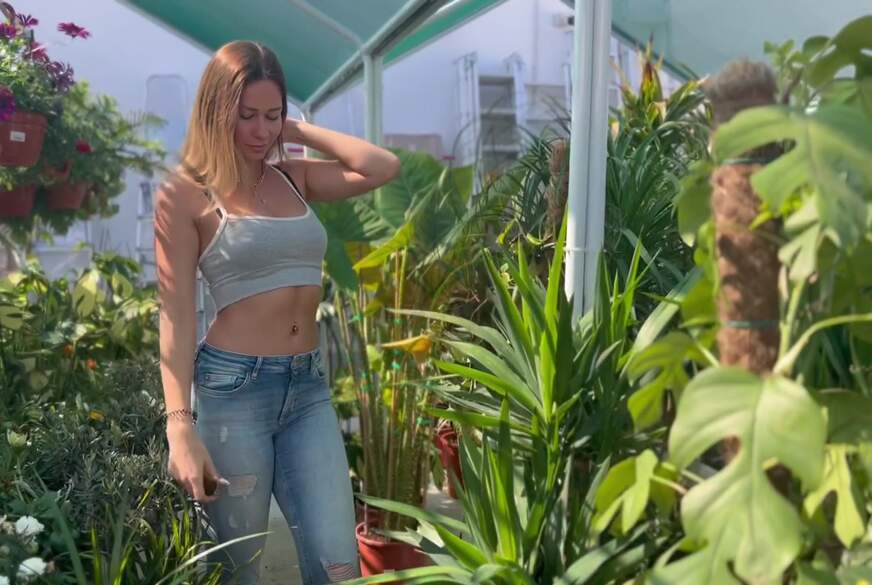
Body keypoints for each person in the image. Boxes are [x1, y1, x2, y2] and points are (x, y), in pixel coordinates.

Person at [153, 40, 400, 585]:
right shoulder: (185, 194)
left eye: (272, 115)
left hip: (308, 388)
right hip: (233, 392)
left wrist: (299, 131)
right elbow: (176, 316)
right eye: (246, 115)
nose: (261, 131)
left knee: (339, 566)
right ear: (215, 110)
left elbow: (382, 166)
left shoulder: (294, 176)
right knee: (238, 571)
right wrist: (179, 428)